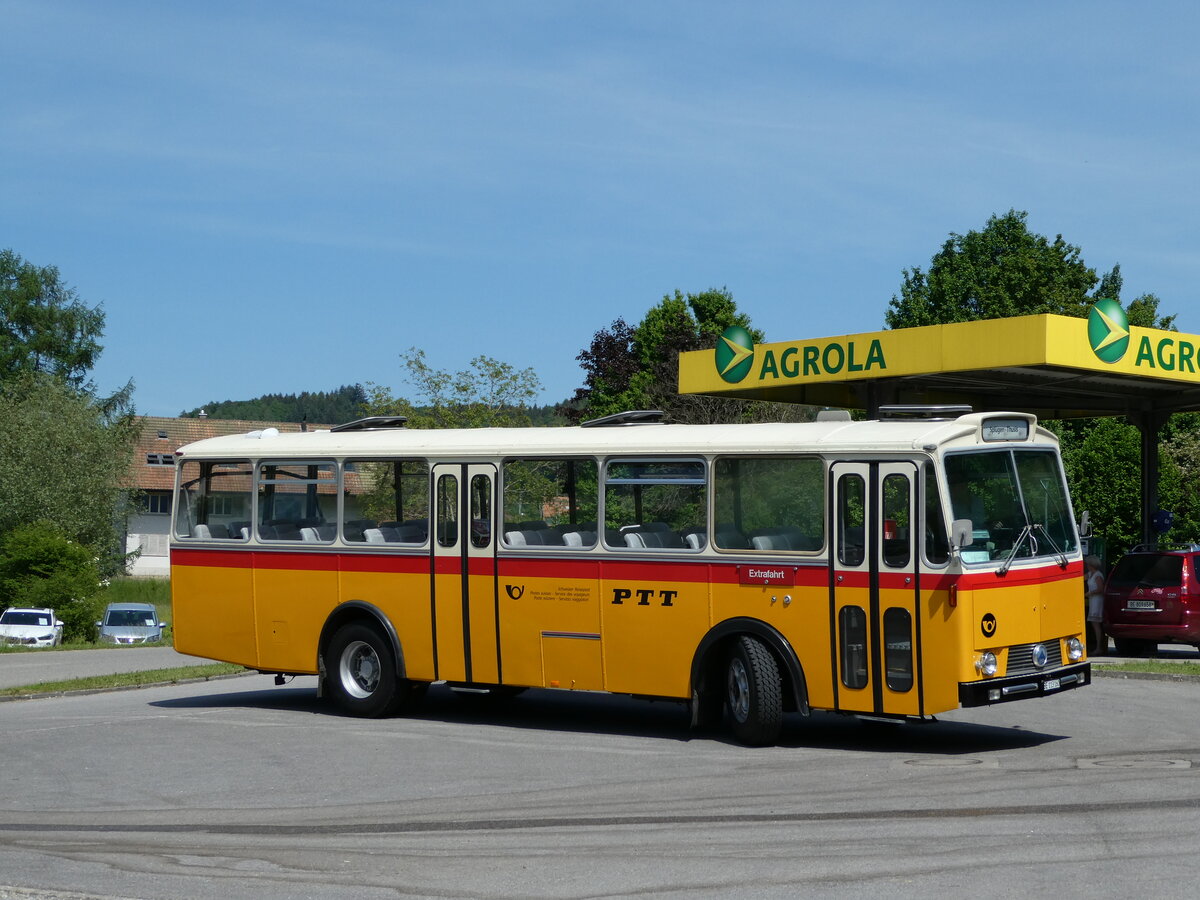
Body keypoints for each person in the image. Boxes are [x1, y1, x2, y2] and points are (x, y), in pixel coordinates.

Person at [1084, 555, 1106, 655]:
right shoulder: (1090, 574)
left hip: (1097, 600)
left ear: (1091, 565)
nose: (1086, 565)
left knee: (1096, 624)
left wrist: (1089, 593)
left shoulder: (1098, 575)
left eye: (1088, 564)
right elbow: (1080, 578)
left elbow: (1101, 589)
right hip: (1093, 600)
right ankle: (1098, 646)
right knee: (1094, 624)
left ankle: (1099, 647)